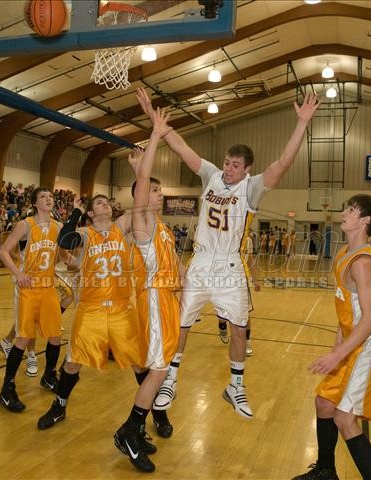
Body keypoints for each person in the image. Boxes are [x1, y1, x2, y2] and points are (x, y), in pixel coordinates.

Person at [137, 87, 320, 418]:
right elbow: (180, 146)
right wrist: (154, 118)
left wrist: (302, 123)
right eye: (226, 162)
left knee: (239, 326)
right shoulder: (210, 175)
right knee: (182, 324)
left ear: (247, 169)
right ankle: (171, 379)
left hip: (230, 265)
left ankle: (235, 386)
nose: (228, 169)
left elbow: (284, 162)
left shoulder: (252, 187)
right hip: (202, 260)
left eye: (235, 165)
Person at [36, 194, 149, 466]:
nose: (105, 204)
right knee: (73, 362)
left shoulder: (121, 226)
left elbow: (141, 205)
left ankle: (146, 420)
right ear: (90, 213)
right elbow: (65, 241)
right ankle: (59, 405)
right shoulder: (85, 234)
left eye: (106, 202)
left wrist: (141, 174)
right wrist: (75, 212)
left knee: (139, 364)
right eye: (98, 203)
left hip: (122, 309)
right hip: (92, 309)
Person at [292, 194, 371, 480]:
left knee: (345, 419)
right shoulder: (342, 254)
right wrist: (337, 351)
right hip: (352, 343)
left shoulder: (362, 263)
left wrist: (338, 354)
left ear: (365, 221)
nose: (344, 212)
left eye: (351, 209)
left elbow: (370, 320)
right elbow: (345, 310)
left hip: (370, 344)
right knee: (324, 403)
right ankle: (326, 470)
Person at [114, 107, 181, 473]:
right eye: (154, 190)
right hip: (152, 299)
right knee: (157, 371)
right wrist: (155, 134)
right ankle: (130, 430)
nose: (159, 193)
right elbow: (141, 185)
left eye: (159, 189)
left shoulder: (165, 229)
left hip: (167, 302)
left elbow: (179, 270)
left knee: (157, 369)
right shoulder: (142, 222)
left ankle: (135, 430)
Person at [0, 187, 63, 412]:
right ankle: (7, 389)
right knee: (24, 338)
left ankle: (49, 376)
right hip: (28, 288)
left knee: (55, 336)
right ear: (35, 203)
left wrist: (75, 260)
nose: (48, 199)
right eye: (43, 196)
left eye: (51, 196)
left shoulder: (58, 226)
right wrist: (18, 274)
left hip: (48, 287)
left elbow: (62, 256)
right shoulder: (26, 225)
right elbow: (4, 251)